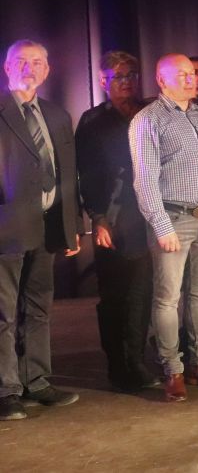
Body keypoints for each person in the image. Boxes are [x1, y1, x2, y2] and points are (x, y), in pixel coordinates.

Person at [131, 53, 198, 402]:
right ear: (161, 80)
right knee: (167, 299)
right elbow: (144, 180)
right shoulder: (148, 120)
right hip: (173, 218)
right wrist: (161, 226)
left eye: (193, 74)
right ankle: (172, 370)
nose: (192, 80)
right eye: (182, 75)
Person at [0, 40, 81, 421]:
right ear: (7, 67)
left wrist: (72, 226)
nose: (29, 68)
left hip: (47, 227)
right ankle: (7, 390)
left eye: (37, 62)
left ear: (47, 71)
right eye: (21, 61)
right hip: (6, 227)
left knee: (38, 308)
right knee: (4, 313)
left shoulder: (56, 114)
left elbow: (68, 173)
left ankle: (37, 380)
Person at [76, 51, 157, 393]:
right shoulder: (93, 120)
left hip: (148, 216)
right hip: (111, 217)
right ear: (103, 81)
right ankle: (117, 365)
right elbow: (87, 175)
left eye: (131, 75)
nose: (126, 82)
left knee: (142, 293)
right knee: (113, 296)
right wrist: (98, 219)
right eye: (118, 76)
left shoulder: (151, 112)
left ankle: (136, 361)